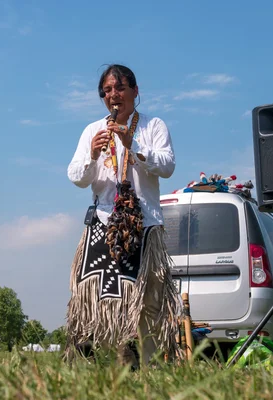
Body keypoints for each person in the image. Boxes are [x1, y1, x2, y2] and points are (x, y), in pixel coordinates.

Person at [64, 64, 184, 367]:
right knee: (103, 297)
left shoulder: (153, 126)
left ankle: (149, 365)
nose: (112, 95)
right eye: (106, 90)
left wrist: (135, 145)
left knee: (146, 301)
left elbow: (167, 167)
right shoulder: (93, 130)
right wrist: (92, 155)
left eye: (118, 88)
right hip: (104, 223)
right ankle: (112, 362)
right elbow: (77, 177)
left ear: (135, 91)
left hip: (144, 225)